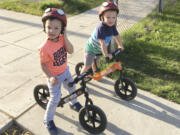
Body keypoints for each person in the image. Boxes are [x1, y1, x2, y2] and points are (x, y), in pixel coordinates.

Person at [39, 8, 82, 135]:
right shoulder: (44, 47)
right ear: (44, 27)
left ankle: (73, 103)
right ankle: (48, 120)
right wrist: (50, 77)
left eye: (56, 28)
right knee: (55, 98)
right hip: (54, 77)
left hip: (65, 71)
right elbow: (42, 65)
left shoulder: (62, 39)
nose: (51, 31)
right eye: (49, 27)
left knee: (72, 87)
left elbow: (71, 50)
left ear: (62, 29)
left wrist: (65, 35)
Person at [81, 1, 124, 73]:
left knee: (96, 62)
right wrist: (106, 54)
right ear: (102, 17)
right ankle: (80, 77)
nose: (111, 20)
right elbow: (102, 43)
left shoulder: (112, 26)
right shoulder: (100, 28)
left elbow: (117, 35)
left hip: (99, 50)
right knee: (87, 66)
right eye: (108, 17)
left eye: (114, 17)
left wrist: (120, 45)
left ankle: (94, 69)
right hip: (90, 49)